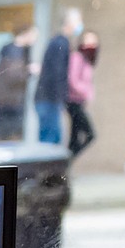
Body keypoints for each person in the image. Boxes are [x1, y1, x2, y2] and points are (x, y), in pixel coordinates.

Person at [35, 9, 80, 146]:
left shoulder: (59, 42)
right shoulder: (60, 43)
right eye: (77, 21)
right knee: (50, 142)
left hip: (49, 99)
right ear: (69, 23)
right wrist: (61, 98)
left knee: (50, 139)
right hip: (50, 100)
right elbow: (57, 74)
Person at [0, 26, 37, 141]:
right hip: (9, 102)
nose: (35, 39)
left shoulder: (18, 51)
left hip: (8, 101)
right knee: (7, 138)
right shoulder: (14, 52)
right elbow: (13, 76)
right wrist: (29, 70)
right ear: (26, 33)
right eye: (34, 35)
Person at [67, 31, 99, 157]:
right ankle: (66, 162)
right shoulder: (77, 57)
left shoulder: (87, 60)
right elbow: (73, 80)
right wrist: (86, 93)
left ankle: (66, 167)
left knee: (75, 137)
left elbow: (88, 82)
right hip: (72, 102)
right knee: (89, 134)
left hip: (80, 102)